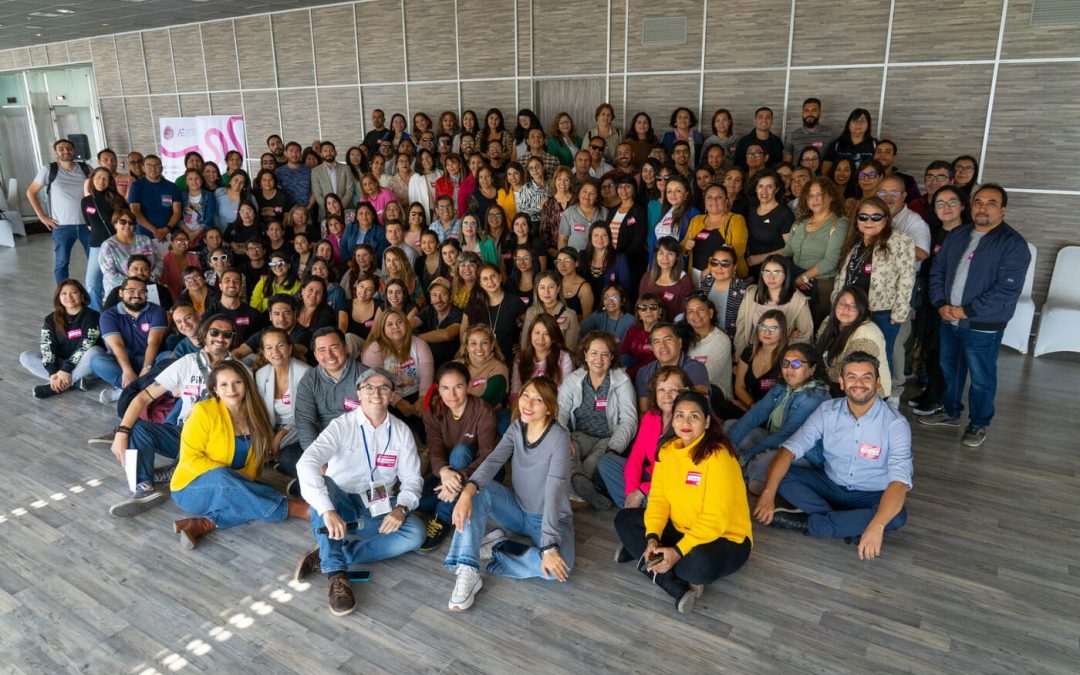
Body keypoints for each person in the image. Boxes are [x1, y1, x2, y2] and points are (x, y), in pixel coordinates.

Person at [294, 367, 426, 617]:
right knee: (326, 486)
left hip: (378, 504)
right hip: (341, 502)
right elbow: (306, 463)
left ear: (391, 395)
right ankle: (336, 574)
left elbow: (412, 480)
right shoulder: (342, 425)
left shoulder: (401, 432)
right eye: (369, 387)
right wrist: (328, 510)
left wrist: (400, 509)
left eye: (383, 388)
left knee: (415, 532)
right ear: (359, 393)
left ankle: (332, 552)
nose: (376, 393)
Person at [753, 352, 911, 560]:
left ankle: (810, 523)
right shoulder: (827, 411)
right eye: (852, 377)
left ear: (878, 383)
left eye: (867, 377)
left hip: (870, 494)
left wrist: (878, 525)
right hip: (831, 485)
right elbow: (790, 449)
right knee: (780, 475)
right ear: (842, 382)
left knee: (897, 516)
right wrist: (767, 493)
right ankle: (849, 524)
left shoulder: (895, 424)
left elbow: (899, 482)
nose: (859, 383)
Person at [613, 390, 752, 614]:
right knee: (624, 520)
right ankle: (664, 574)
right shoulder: (667, 450)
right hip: (680, 527)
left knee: (698, 566)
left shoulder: (719, 456)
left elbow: (716, 519)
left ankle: (645, 559)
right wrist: (652, 538)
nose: (685, 422)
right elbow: (658, 500)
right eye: (679, 415)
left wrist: (677, 551)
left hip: (723, 538)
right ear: (673, 419)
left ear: (706, 421)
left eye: (694, 416)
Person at [442, 376, 573, 610]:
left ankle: (497, 549)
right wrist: (465, 494)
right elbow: (493, 461)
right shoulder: (516, 427)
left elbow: (553, 493)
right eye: (526, 395)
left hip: (549, 518)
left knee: (558, 570)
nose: (528, 404)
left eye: (538, 400)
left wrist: (550, 547)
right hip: (517, 510)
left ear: (550, 408)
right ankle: (468, 570)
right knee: (477, 491)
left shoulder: (559, 438)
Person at [919, 185, 1029, 448]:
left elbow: (1007, 288)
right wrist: (941, 303)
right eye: (978, 201)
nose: (983, 207)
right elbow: (937, 272)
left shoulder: (1013, 244)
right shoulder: (958, 235)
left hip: (982, 324)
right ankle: (951, 411)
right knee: (951, 368)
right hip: (949, 317)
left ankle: (979, 424)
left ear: (1003, 210)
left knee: (981, 377)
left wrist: (966, 310)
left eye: (991, 202)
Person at [168, 361, 310, 549]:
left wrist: (241, 480)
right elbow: (190, 459)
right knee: (229, 480)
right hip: (192, 489)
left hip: (234, 486)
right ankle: (296, 508)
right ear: (215, 389)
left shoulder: (255, 414)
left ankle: (203, 524)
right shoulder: (204, 411)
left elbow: (254, 463)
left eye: (237, 382)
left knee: (249, 496)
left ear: (246, 384)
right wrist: (232, 476)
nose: (231, 389)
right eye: (224, 384)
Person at [105, 314, 236, 515]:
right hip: (184, 433)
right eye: (215, 332)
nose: (220, 338)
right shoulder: (187, 363)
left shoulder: (239, 370)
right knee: (138, 428)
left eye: (227, 334)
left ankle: (181, 467)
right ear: (204, 334)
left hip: (217, 440)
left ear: (232, 339)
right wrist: (122, 433)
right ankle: (144, 487)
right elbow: (142, 398)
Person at [831, 197, 916, 406]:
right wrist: (835, 303)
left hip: (882, 312)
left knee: (879, 360)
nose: (869, 221)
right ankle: (854, 399)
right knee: (854, 356)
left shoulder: (900, 240)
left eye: (876, 216)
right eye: (863, 216)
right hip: (853, 311)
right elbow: (843, 276)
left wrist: (899, 312)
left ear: (886, 219)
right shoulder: (856, 242)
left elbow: (907, 277)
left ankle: (881, 401)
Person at [726, 343, 831, 493]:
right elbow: (755, 415)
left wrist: (747, 455)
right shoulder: (781, 388)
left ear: (812, 369)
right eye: (785, 363)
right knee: (731, 426)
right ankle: (740, 469)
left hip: (804, 454)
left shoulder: (815, 397)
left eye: (796, 364)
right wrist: (726, 446)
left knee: (765, 459)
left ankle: (752, 479)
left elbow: (788, 434)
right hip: (776, 439)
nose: (789, 369)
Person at [418, 362, 500, 551]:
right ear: (438, 389)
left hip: (483, 473)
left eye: (458, 387)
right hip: (448, 474)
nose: (452, 395)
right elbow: (435, 449)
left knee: (460, 452)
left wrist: (458, 479)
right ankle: (453, 498)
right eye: (445, 388)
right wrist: (444, 471)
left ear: (469, 386)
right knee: (420, 501)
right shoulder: (433, 412)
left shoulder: (482, 411)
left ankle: (442, 518)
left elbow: (488, 456)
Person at [556, 331, 638, 509]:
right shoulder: (573, 380)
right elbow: (560, 412)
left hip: (607, 438)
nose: (598, 359)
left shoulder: (621, 381)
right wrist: (563, 437)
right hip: (580, 436)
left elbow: (629, 420)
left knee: (595, 461)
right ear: (585, 355)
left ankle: (577, 493)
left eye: (604, 354)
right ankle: (585, 491)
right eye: (593, 353)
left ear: (612, 357)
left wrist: (614, 448)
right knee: (566, 452)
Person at [908, 185, 967, 417]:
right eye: (940, 203)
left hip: (950, 304)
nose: (946, 207)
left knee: (945, 353)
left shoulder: (967, 235)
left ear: (962, 205)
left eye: (952, 202)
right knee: (930, 349)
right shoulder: (934, 231)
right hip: (931, 300)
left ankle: (941, 399)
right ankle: (931, 392)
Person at [90, 276, 169, 402]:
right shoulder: (108, 315)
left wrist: (147, 367)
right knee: (97, 361)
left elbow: (154, 342)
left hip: (152, 359)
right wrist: (127, 370)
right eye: (131, 291)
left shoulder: (157, 311)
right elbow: (117, 346)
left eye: (142, 292)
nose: (136, 295)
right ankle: (140, 388)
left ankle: (127, 390)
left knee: (169, 357)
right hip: (124, 361)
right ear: (121, 293)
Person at [21, 280, 104, 399]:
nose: (69, 297)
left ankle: (55, 386)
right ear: (58, 297)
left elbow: (86, 346)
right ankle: (72, 383)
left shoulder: (93, 316)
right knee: (26, 356)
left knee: (95, 352)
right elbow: (47, 347)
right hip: (62, 364)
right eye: (64, 293)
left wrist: (66, 370)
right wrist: (53, 372)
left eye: (73, 292)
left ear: (82, 295)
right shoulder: (50, 319)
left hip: (86, 367)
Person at [785, 177, 849, 325]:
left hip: (821, 285)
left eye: (820, 194)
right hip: (795, 278)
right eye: (811, 195)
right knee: (794, 326)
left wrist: (801, 278)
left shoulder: (839, 223)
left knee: (814, 327)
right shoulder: (799, 223)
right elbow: (788, 251)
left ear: (831, 196)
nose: (815, 199)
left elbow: (830, 261)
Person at [27, 139, 93, 284]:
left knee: (95, 260)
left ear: (74, 150)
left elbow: (94, 192)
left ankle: (96, 292)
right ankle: (63, 296)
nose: (66, 151)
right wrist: (42, 216)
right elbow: (31, 192)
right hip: (62, 226)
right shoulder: (49, 169)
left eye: (69, 148)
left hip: (87, 225)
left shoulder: (85, 168)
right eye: (61, 149)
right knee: (61, 264)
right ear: (55, 152)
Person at [361, 308, 434, 425]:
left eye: (400, 322)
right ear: (382, 329)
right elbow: (375, 382)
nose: (395, 326)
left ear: (406, 324)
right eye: (389, 324)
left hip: (418, 393)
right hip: (387, 397)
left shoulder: (419, 344)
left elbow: (427, 374)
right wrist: (398, 402)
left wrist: (423, 397)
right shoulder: (374, 349)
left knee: (428, 421)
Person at [816, 286, 891, 397]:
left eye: (853, 306)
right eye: (842, 303)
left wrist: (821, 372)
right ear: (836, 304)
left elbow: (852, 372)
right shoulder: (829, 323)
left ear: (862, 309)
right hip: (836, 385)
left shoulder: (865, 333)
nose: (846, 309)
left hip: (865, 393)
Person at [734, 255, 811, 353]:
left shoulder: (798, 300)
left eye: (777, 272)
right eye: (767, 272)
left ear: (786, 275)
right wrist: (740, 357)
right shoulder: (751, 294)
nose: (771, 277)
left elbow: (805, 337)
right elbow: (741, 330)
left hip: (781, 357)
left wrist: (786, 341)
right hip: (751, 353)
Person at [82, 166, 129, 309]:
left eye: (105, 178)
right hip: (97, 246)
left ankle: (117, 312)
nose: (101, 181)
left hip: (117, 246)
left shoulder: (117, 200)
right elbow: (89, 225)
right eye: (98, 178)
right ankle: (97, 316)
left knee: (116, 282)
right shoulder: (86, 201)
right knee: (91, 283)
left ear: (110, 181)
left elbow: (126, 223)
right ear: (92, 180)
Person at [461, 264, 526, 368]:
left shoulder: (515, 302)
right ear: (480, 283)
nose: (490, 282)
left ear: (500, 278)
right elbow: (463, 331)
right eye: (485, 279)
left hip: (507, 360)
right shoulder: (473, 304)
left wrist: (522, 345)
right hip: (479, 359)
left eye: (493, 276)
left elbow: (529, 326)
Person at [634, 322, 710, 409]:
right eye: (656, 341)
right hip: (658, 420)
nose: (662, 345)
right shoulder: (644, 372)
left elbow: (699, 404)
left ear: (679, 343)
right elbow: (644, 410)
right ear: (652, 348)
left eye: (668, 339)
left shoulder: (696, 368)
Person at [683, 183, 748, 282]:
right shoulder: (696, 220)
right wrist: (686, 248)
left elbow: (737, 250)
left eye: (719, 197)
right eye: (709, 197)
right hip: (696, 275)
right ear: (704, 201)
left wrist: (710, 269)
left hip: (724, 275)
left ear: (726, 201)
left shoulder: (736, 220)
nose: (714, 200)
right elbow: (684, 246)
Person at [98, 208, 160, 298]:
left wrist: (151, 279)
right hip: (119, 291)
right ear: (115, 224)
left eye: (131, 223)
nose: (127, 225)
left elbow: (159, 261)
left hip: (148, 288)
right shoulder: (108, 246)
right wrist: (135, 285)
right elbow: (109, 273)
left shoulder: (146, 240)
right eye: (122, 222)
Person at [733, 309, 787, 411]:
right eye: (763, 327)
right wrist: (753, 406)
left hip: (775, 412)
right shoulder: (749, 351)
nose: (767, 332)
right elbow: (739, 387)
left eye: (773, 329)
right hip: (750, 406)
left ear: (782, 332)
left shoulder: (787, 357)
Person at [684, 293, 734, 402]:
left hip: (715, 394)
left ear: (710, 313)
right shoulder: (683, 338)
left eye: (700, 309)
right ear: (687, 318)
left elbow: (707, 377)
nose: (695, 314)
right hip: (686, 390)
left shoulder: (721, 340)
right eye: (691, 311)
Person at [127, 155, 182, 252]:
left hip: (169, 234)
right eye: (149, 165)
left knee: (169, 264)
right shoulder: (136, 186)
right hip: (145, 234)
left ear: (161, 168)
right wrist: (155, 230)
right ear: (143, 168)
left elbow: (177, 212)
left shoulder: (172, 187)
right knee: (147, 265)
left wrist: (166, 229)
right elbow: (135, 212)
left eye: (157, 165)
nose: (153, 168)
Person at [638, 236, 695, 323]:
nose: (665, 258)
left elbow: (685, 313)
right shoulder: (647, 277)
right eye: (661, 253)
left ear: (677, 257)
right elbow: (641, 305)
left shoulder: (685, 280)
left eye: (670, 253)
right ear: (656, 256)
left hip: (674, 328)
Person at [699, 245, 749, 341]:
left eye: (725, 263)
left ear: (734, 267)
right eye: (714, 262)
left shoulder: (744, 289)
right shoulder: (706, 283)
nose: (719, 267)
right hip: (706, 339)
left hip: (733, 343)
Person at [521, 270, 580, 351]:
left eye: (551, 287)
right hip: (534, 361)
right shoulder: (531, 312)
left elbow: (569, 350)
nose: (546, 292)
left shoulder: (570, 315)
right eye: (542, 287)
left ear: (558, 288)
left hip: (560, 361)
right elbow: (525, 344)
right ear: (537, 290)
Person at [456, 324, 511, 411]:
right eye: (473, 343)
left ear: (492, 345)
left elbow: (488, 401)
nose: (479, 348)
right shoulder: (456, 366)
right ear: (467, 347)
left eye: (484, 342)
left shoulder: (499, 369)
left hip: (487, 417)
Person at [204, 269, 264, 343]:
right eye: (227, 280)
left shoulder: (253, 314)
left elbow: (260, 340)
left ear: (241, 286)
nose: (232, 284)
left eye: (236, 281)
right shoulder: (209, 314)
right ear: (220, 286)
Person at [415, 277, 463, 365]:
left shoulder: (457, 313)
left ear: (451, 297)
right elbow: (410, 323)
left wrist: (416, 338)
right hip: (428, 361)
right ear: (430, 298)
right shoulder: (429, 310)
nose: (438, 299)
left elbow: (447, 334)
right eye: (434, 295)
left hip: (450, 363)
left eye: (443, 294)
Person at [822, 109, 877, 176]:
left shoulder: (875, 145)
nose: (858, 124)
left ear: (868, 125)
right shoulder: (837, 144)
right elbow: (826, 166)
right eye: (855, 120)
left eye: (862, 121)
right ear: (848, 123)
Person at [557, 180, 606, 252]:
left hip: (598, 257)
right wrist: (562, 261)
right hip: (575, 258)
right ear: (579, 193)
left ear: (597, 197)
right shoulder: (569, 213)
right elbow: (562, 240)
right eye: (585, 191)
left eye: (592, 193)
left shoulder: (604, 212)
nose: (587, 196)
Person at [311, 142, 357, 218]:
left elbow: (350, 190)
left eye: (331, 150)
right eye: (325, 151)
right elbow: (317, 194)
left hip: (345, 211)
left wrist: (340, 207)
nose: (329, 153)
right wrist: (329, 209)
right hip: (326, 213)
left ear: (335, 153)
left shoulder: (346, 168)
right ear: (321, 154)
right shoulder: (315, 171)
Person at [784, 98, 836, 162]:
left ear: (820, 113)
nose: (810, 114)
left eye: (814, 110)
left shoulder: (831, 133)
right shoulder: (792, 136)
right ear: (802, 113)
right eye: (806, 110)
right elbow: (786, 165)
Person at [178, 167, 218, 245]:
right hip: (184, 234)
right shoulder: (181, 196)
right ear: (186, 182)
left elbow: (209, 217)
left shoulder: (209, 195)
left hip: (203, 234)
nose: (194, 181)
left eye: (197, 178)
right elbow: (178, 217)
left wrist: (196, 234)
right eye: (190, 179)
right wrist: (189, 234)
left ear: (201, 180)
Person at [275, 141, 315, 214]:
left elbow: (315, 191)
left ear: (301, 154)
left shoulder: (309, 171)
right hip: (287, 212)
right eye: (291, 151)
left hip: (307, 211)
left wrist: (308, 208)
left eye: (297, 152)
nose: (294, 154)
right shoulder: (279, 172)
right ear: (285, 153)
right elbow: (276, 193)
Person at [160, 230, 202, 299]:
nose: (183, 243)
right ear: (172, 243)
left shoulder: (193, 257)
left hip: (194, 291)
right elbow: (163, 281)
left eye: (186, 240)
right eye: (179, 240)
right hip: (173, 295)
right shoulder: (165, 259)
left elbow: (199, 276)